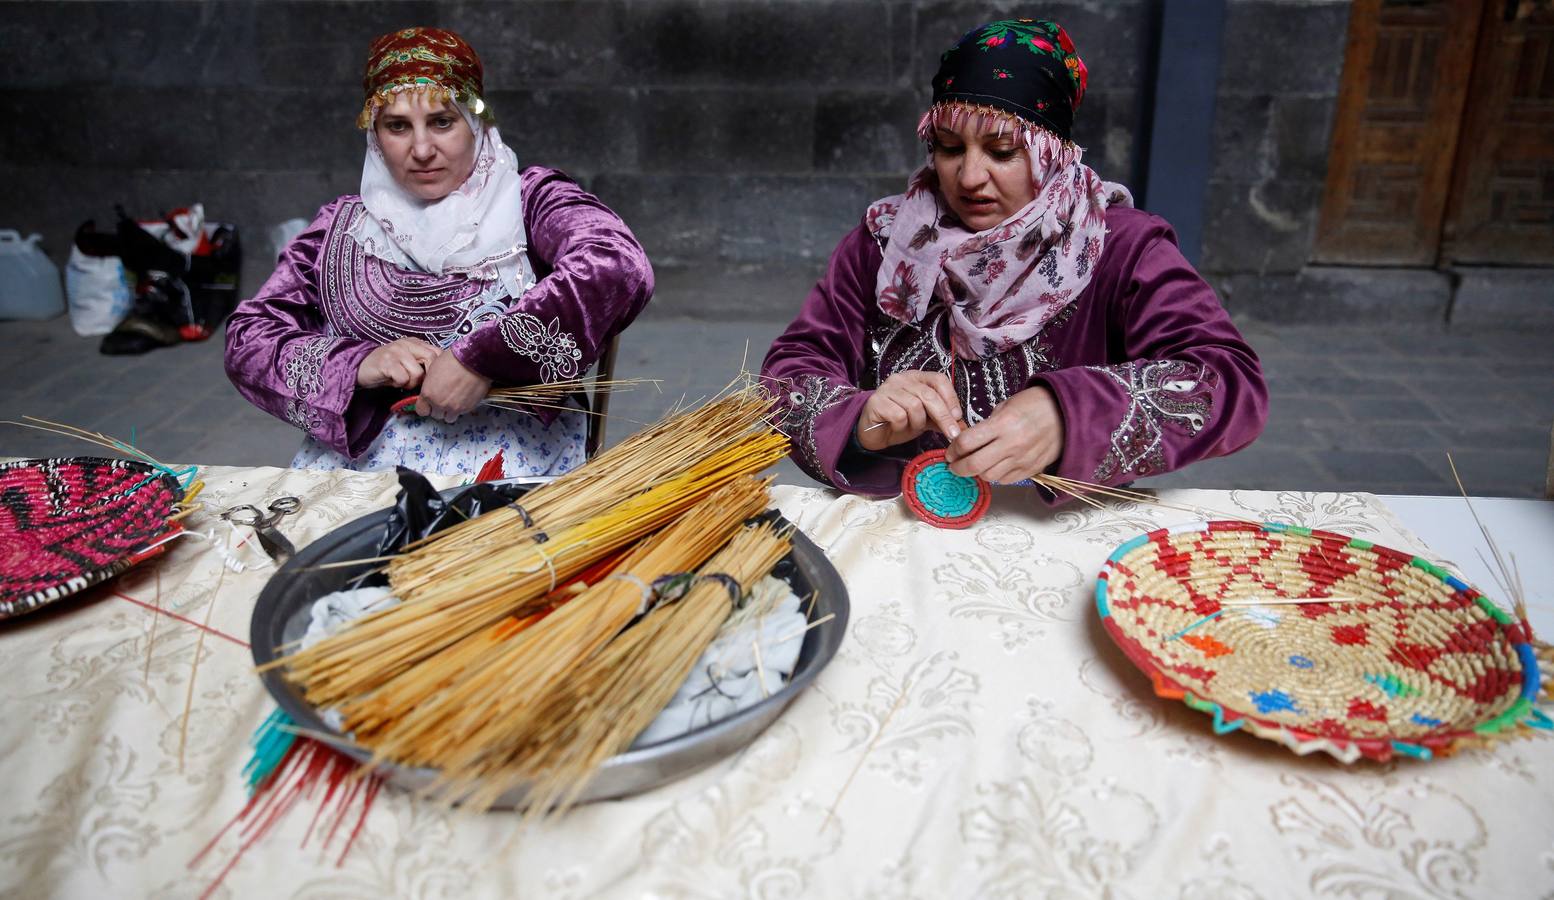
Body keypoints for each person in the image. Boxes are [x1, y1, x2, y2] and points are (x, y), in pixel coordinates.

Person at [762, 18, 1266, 501]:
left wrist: (1069, 415)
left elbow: (1228, 380)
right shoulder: (884, 244)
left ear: (1054, 153)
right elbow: (787, 375)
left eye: (1002, 151)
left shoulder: (1122, 250)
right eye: (948, 147)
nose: (968, 177)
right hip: (905, 523)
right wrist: (860, 419)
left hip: (1061, 536)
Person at [225, 27, 653, 479]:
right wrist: (359, 362)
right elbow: (248, 340)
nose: (423, 150)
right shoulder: (341, 227)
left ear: (475, 122)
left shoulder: (532, 201)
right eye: (397, 127)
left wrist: (480, 358)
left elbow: (618, 266)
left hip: (511, 460)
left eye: (442, 122)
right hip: (362, 469)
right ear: (375, 134)